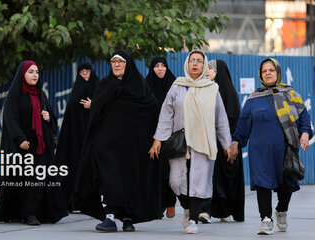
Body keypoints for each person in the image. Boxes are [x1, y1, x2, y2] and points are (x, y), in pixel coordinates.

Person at [70, 50, 162, 232]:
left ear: (128, 64)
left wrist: (151, 139)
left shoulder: (139, 86)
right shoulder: (105, 84)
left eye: (121, 62)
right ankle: (110, 217)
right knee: (109, 179)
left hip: (132, 148)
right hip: (107, 146)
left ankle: (128, 219)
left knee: (129, 182)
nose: (117, 65)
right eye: (114, 62)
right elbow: (97, 112)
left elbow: (152, 110)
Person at [149, 50, 233, 234]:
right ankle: (186, 208)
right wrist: (158, 140)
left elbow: (220, 119)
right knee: (175, 181)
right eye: (192, 61)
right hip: (179, 142)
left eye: (199, 61)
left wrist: (226, 143)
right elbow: (166, 115)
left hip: (203, 141)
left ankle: (193, 219)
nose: (195, 64)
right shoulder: (177, 86)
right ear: (187, 64)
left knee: (199, 180)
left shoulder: (212, 88)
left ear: (204, 66)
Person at [231, 58, 313, 235]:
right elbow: (243, 123)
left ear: (278, 72)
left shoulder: (292, 94)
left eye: (271, 70)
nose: (267, 73)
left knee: (286, 185)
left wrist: (305, 133)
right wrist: (236, 142)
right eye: (264, 71)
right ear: (260, 75)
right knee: (262, 184)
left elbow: (304, 119)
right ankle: (266, 219)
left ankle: (281, 211)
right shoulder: (253, 99)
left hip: (284, 150)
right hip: (259, 150)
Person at [0, 60, 68, 225]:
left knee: (37, 181)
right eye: (31, 72)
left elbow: (51, 118)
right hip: (22, 147)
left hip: (39, 147)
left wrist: (48, 118)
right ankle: (18, 212)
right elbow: (10, 119)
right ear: (22, 74)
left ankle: (31, 213)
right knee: (20, 182)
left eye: (37, 72)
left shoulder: (41, 94)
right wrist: (20, 138)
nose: (35, 75)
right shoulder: (15, 95)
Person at [199, 60, 245, 224]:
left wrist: (230, 143)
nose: (207, 71)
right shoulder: (205, 90)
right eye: (207, 68)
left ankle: (225, 210)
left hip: (226, 145)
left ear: (219, 72)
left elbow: (232, 119)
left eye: (211, 68)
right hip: (208, 143)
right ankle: (206, 211)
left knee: (225, 179)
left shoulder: (228, 93)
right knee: (208, 177)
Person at [55, 63, 99, 212]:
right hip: (76, 140)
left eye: (87, 71)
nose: (85, 74)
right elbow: (70, 119)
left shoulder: (99, 89)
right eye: (82, 71)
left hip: (93, 137)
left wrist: (93, 105)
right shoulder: (77, 91)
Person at [145, 57, 177, 218]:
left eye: (163, 66)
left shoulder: (174, 84)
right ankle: (156, 206)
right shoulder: (146, 85)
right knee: (152, 170)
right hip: (151, 134)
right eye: (156, 66)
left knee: (168, 170)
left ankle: (170, 202)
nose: (160, 69)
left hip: (170, 135)